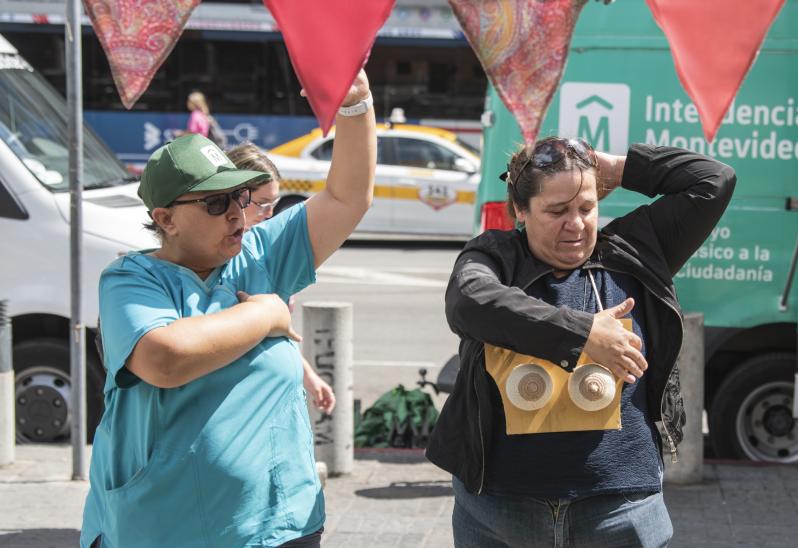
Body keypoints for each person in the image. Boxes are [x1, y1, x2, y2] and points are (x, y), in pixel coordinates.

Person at [80, 69, 375, 547]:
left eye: (240, 196)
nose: (238, 213)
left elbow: (347, 198)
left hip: (280, 525)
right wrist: (267, 315)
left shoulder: (260, 252)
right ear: (166, 219)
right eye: (217, 204)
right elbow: (165, 359)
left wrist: (356, 106)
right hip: (162, 529)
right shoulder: (131, 278)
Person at [426, 138, 736, 547]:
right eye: (556, 211)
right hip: (501, 511)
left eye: (586, 208)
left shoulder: (638, 247)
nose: (575, 224)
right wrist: (585, 334)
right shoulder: (495, 256)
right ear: (521, 211)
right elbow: (470, 303)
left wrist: (621, 169)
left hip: (622, 507)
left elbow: (713, 180)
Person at [227, 142, 335, 414]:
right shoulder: (228, 258)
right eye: (263, 203)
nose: (270, 213)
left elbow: (277, 336)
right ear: (233, 196)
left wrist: (309, 377)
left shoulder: (265, 247)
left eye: (274, 203)